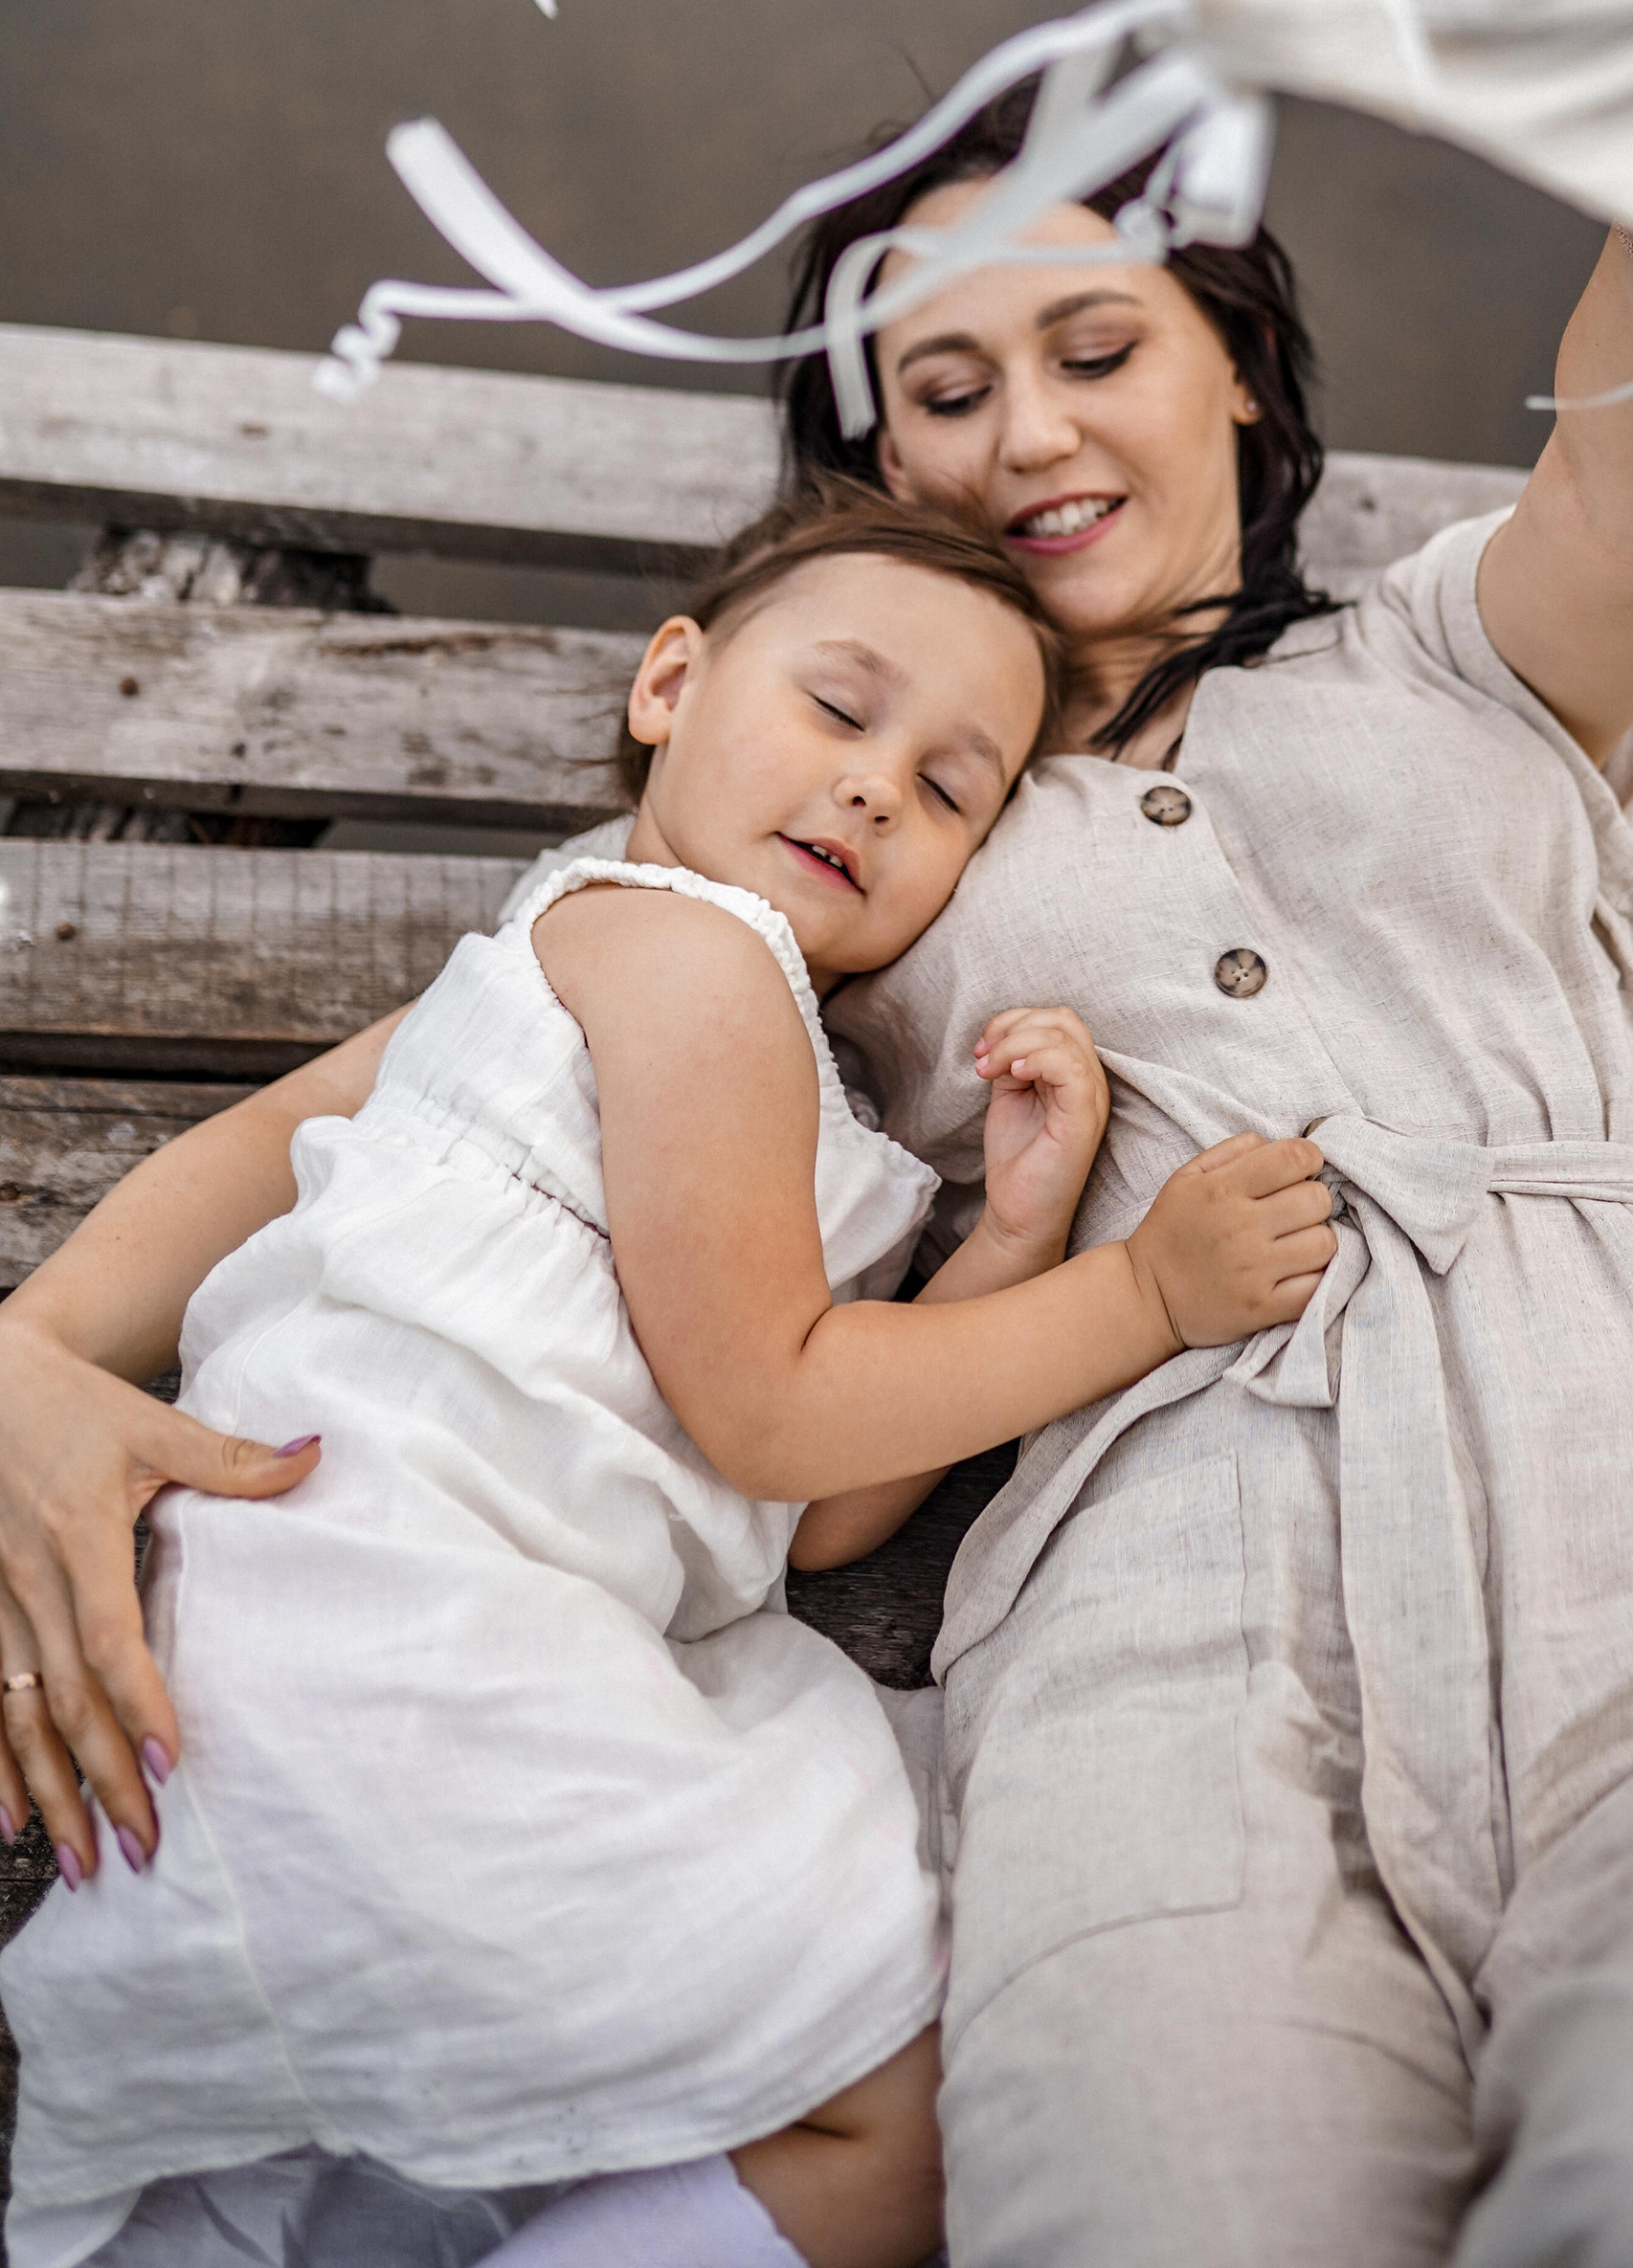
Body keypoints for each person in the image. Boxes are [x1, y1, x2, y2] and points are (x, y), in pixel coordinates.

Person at [0, 116, 1633, 2268]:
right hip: (1158, 1639)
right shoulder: (832, 868)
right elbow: (392, 1103)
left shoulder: (1447, 660)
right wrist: (30, 1356)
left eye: (1096, 345)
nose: (1027, 429)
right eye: (942, 390)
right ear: (873, 478)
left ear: (1238, 377)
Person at [0, 485, 1334, 2268]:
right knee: (903, 2086)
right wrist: (1138, 1294)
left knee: (279, 2197)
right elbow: (771, 1402)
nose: (877, 783)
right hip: (402, 1638)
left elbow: (807, 1513)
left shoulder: (632, 980)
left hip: (303, 1661)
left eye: (952, 788)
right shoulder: (691, 962)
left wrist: (998, 1242)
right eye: (840, 710)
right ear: (669, 686)